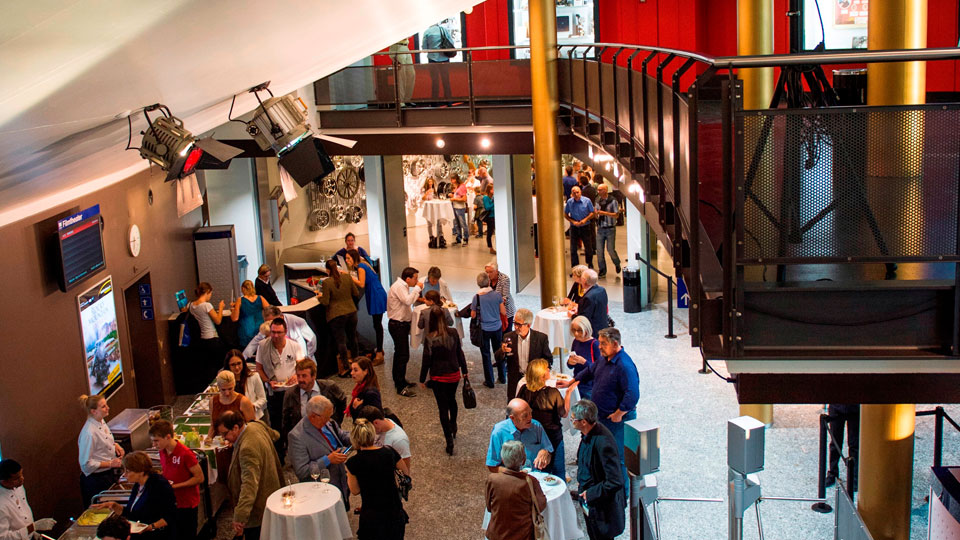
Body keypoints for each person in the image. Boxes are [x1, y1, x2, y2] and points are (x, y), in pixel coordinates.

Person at [558, 328, 638, 493]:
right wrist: (571, 382)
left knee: (617, 457)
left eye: (603, 343)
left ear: (615, 344)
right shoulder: (605, 359)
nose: (599, 347)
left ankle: (622, 494)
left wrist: (619, 413)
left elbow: (633, 394)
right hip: (601, 417)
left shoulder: (624, 365)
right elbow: (590, 371)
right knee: (601, 453)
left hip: (616, 422)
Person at [216, 411, 284, 540]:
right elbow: (275, 435)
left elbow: (250, 484)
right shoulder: (256, 425)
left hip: (258, 509)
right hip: (272, 494)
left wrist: (241, 515)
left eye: (225, 434)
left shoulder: (247, 448)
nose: (224, 438)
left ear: (235, 428)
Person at [345, 419, 410, 540]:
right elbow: (405, 472)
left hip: (372, 514)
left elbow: (354, 490)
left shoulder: (353, 463)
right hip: (393, 510)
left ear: (355, 439)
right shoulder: (389, 452)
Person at [571, 399, 626, 540]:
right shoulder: (588, 434)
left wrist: (589, 493)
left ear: (583, 422)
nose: (572, 421)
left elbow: (615, 481)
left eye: (573, 419)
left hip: (602, 510)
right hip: (590, 501)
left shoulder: (604, 443)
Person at [92, 452, 177, 539]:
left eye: (128, 471)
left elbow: (171, 516)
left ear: (140, 471)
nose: (124, 474)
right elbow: (132, 513)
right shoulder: (138, 484)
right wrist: (114, 506)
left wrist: (151, 527)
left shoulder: (160, 486)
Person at [419, 306, 469, 455]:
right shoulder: (453, 333)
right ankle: (453, 424)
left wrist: (422, 379)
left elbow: (426, 361)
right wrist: (464, 371)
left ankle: (449, 440)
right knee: (452, 399)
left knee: (442, 407)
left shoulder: (430, 337)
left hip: (438, 376)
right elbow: (460, 353)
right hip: (453, 374)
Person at [516, 359, 577, 479]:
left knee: (536, 471)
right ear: (542, 375)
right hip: (552, 437)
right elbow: (564, 413)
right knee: (558, 470)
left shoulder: (523, 390)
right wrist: (569, 393)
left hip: (531, 437)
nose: (549, 369)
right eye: (546, 369)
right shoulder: (552, 393)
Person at [286, 396, 351, 502]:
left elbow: (340, 435)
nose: (328, 421)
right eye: (326, 417)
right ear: (313, 416)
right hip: (321, 491)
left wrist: (356, 438)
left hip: (340, 480)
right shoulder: (297, 436)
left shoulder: (325, 422)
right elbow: (302, 471)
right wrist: (327, 460)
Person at [148, 421, 203, 540]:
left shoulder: (185, 454)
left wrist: (175, 486)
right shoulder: (162, 451)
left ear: (168, 437)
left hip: (186, 503)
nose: (154, 444)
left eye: (156, 440)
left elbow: (199, 478)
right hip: (171, 501)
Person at [484, 440, 547, 540]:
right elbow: (541, 505)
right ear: (523, 460)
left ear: (503, 460)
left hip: (495, 534)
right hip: (523, 535)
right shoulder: (530, 482)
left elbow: (489, 507)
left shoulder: (492, 479)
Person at [255, 317, 303, 432]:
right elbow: (259, 369)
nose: (275, 336)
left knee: (294, 422)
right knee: (276, 423)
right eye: (273, 332)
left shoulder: (294, 346)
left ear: (285, 332)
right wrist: (268, 380)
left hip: (292, 392)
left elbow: (302, 366)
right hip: (274, 393)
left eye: (279, 332)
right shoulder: (263, 346)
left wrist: (296, 375)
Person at [495, 308, 553, 400]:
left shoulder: (541, 339)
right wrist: (502, 351)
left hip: (535, 380)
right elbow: (497, 358)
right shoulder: (509, 337)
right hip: (515, 379)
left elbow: (548, 360)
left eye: (519, 325)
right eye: (515, 323)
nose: (516, 327)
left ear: (528, 325)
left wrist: (541, 373)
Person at [282, 359, 347, 441]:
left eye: (304, 376)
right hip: (304, 438)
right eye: (298, 376)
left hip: (328, 436)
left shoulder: (329, 387)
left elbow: (342, 401)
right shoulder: (291, 394)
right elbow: (286, 421)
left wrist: (336, 421)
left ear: (314, 376)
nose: (300, 380)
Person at [77, 394, 124, 507]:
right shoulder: (89, 433)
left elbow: (103, 442)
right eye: (103, 407)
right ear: (93, 411)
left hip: (108, 475)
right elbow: (86, 464)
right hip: (96, 481)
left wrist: (115, 445)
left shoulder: (101, 421)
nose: (108, 408)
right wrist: (110, 463)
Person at [485, 399, 553, 472]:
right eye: (525, 416)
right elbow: (492, 466)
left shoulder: (536, 426)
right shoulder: (499, 432)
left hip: (534, 475)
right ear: (512, 418)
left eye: (530, 413)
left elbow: (549, 449)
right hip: (511, 479)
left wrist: (545, 452)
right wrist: (515, 475)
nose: (530, 417)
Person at [318, 258, 361, 376]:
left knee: (341, 341)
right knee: (353, 338)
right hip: (351, 311)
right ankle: (357, 361)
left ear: (327, 270)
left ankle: (346, 367)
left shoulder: (327, 282)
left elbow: (325, 302)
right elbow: (356, 293)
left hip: (336, 315)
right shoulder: (347, 277)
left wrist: (319, 297)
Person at [345, 248, 387, 365]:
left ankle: (379, 352)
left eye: (348, 258)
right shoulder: (363, 262)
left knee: (377, 324)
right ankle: (379, 348)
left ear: (354, 258)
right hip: (375, 291)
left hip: (375, 294)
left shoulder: (361, 267)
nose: (347, 261)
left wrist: (349, 277)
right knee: (376, 323)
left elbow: (361, 283)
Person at [387, 267, 423, 397]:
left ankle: (401, 380)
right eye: (415, 278)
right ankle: (400, 386)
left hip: (401, 324)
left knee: (402, 354)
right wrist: (418, 289)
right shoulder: (399, 287)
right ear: (408, 278)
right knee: (402, 355)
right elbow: (408, 301)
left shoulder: (403, 286)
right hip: (397, 325)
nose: (417, 281)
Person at [0, 459, 55, 538]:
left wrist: (32, 532)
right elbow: (3, 537)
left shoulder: (18, 486)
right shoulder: (1, 504)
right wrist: (32, 527)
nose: (22, 479)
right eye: (17, 478)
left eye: (22, 474)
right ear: (4, 482)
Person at [471, 272, 506, 389]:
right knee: (499, 352)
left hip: (484, 329)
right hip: (497, 328)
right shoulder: (497, 295)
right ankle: (502, 377)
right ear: (489, 282)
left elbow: (473, 315)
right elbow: (503, 312)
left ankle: (489, 381)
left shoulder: (476, 298)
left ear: (477, 284)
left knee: (486, 355)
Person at [187, 282, 224, 380]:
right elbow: (218, 321)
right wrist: (220, 308)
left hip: (203, 339)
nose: (210, 296)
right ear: (207, 292)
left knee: (209, 365)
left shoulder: (191, 305)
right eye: (210, 293)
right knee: (217, 365)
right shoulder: (207, 305)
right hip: (212, 337)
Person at [356, 406, 412, 471]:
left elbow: (405, 470)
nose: (369, 432)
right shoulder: (380, 426)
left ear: (376, 422)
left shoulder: (399, 440)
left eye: (369, 429)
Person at [207, 370, 255, 444]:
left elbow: (252, 427)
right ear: (218, 387)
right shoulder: (213, 401)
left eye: (230, 389)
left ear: (234, 385)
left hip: (240, 444)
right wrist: (209, 438)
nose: (227, 393)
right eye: (223, 390)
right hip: (220, 446)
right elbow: (213, 425)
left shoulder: (243, 401)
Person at [225, 350, 268, 421]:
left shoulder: (254, 377)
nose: (237, 367)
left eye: (239, 363)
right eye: (233, 365)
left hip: (254, 418)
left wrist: (251, 407)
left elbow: (262, 399)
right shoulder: (226, 381)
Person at [825, 404, 860, 489]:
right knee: (835, 443)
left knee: (854, 445)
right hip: (836, 406)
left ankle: (854, 477)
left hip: (855, 407)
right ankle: (833, 474)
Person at [567, 316, 601, 399]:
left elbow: (600, 369)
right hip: (577, 381)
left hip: (589, 386)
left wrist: (584, 362)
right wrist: (570, 362)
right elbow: (571, 365)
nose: (576, 334)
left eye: (579, 330)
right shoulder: (576, 341)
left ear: (586, 330)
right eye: (574, 330)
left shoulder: (595, 345)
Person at [594, 184, 622, 278]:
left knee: (610, 249)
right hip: (600, 228)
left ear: (606, 190)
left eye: (600, 190)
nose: (598, 191)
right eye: (598, 190)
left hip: (610, 228)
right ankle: (602, 270)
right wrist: (596, 215)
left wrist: (604, 213)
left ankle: (617, 263)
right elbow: (596, 212)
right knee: (599, 251)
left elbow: (616, 215)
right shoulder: (597, 200)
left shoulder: (613, 201)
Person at [230, 280, 268, 348]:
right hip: (260, 330)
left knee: (247, 354)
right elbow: (270, 310)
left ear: (243, 289)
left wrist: (234, 310)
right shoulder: (260, 298)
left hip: (246, 331)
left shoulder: (240, 300)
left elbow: (234, 318)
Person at [565, 186, 596, 268]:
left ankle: (590, 263)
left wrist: (585, 220)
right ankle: (575, 266)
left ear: (580, 192)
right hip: (574, 227)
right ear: (571, 194)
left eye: (577, 192)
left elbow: (592, 213)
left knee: (588, 247)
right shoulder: (569, 202)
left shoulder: (587, 201)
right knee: (573, 248)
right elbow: (565, 214)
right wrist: (572, 221)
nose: (576, 194)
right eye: (574, 193)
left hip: (585, 226)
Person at [422, 20, 454, 102]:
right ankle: (449, 100)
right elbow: (451, 42)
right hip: (444, 58)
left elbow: (424, 48)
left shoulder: (427, 32)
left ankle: (434, 102)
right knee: (446, 80)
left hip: (432, 59)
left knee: (434, 81)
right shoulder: (443, 30)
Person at [577, 269, 609, 338]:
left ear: (584, 280)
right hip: (603, 325)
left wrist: (572, 315)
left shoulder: (588, 298)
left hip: (593, 331)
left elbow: (584, 319)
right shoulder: (602, 290)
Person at [485, 261, 516, 331]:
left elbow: (505, 297)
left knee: (506, 333)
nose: (488, 274)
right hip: (493, 311)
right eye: (486, 272)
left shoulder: (505, 279)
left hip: (506, 311)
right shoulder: (486, 279)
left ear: (496, 271)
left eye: (490, 272)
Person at [389, 37, 415, 105]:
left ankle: (407, 99)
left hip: (405, 47)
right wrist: (393, 56)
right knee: (401, 76)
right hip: (397, 46)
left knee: (411, 74)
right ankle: (401, 101)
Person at [449, 173, 469, 246]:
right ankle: (459, 238)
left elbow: (464, 199)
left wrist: (454, 198)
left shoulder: (462, 186)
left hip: (460, 208)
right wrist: (453, 195)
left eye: (452, 179)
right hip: (455, 207)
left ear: (455, 179)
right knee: (457, 224)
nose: (451, 181)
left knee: (463, 223)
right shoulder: (457, 186)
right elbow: (458, 195)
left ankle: (466, 239)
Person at [482, 184, 496, 254]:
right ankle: (490, 247)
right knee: (490, 232)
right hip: (490, 217)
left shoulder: (492, 197)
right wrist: (494, 203)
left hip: (494, 216)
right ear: (490, 190)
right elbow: (487, 207)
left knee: (493, 231)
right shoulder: (486, 198)